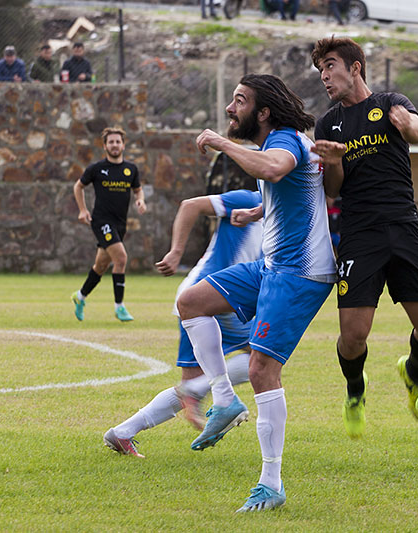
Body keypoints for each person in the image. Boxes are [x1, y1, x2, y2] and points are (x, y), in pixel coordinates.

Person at [177, 74, 335, 512]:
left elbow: (274, 167)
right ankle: (224, 401)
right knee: (190, 301)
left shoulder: (283, 139)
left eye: (239, 101)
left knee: (263, 369)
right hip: (271, 265)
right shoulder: (279, 142)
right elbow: (296, 186)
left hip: (301, 273)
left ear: (262, 113)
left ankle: (271, 483)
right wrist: (261, 209)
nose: (231, 108)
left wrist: (220, 142)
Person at [310, 37, 418, 438]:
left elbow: (417, 131)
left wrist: (410, 127)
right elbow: (333, 190)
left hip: (404, 227)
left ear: (355, 68)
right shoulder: (327, 124)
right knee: (352, 337)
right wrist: (333, 163)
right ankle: (355, 390)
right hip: (359, 234)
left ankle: (414, 372)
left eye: (330, 66)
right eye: (320, 71)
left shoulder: (390, 102)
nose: (324, 77)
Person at [103, 188, 264, 457]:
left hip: (201, 298)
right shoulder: (250, 200)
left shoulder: (278, 211)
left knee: (191, 384)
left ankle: (122, 433)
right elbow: (190, 205)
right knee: (265, 356)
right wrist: (176, 252)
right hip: (214, 295)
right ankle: (198, 392)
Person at [71, 127, 146, 322]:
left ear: (123, 145)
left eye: (117, 142)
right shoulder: (96, 169)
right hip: (101, 221)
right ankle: (119, 307)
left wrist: (140, 200)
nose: (114, 145)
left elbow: (138, 190)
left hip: (120, 224)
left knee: (101, 265)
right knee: (121, 258)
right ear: (105, 146)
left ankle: (80, 297)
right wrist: (82, 209)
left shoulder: (131, 169)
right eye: (111, 142)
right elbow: (78, 186)